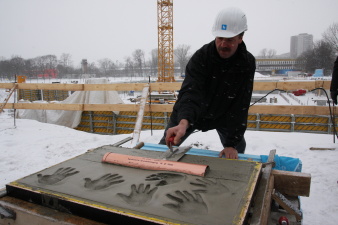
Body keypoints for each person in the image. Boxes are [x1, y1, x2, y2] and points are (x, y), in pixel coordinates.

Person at [159, 7, 256, 159]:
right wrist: (183, 122)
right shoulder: (201, 58)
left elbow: (241, 103)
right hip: (192, 113)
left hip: (224, 114)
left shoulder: (247, 63)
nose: (223, 44)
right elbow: (191, 92)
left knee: (237, 150)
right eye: (219, 38)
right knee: (166, 147)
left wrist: (231, 143)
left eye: (229, 40)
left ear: (240, 38)